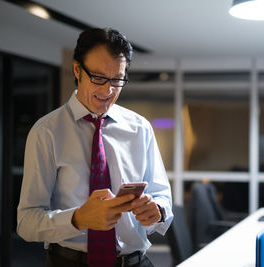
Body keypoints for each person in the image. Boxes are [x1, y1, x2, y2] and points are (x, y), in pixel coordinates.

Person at [17, 28, 173, 267]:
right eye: (98, 77)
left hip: (135, 262)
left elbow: (163, 196)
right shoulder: (46, 132)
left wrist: (158, 210)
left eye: (117, 79)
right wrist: (78, 218)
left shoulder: (140, 128)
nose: (107, 90)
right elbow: (26, 223)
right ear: (77, 70)